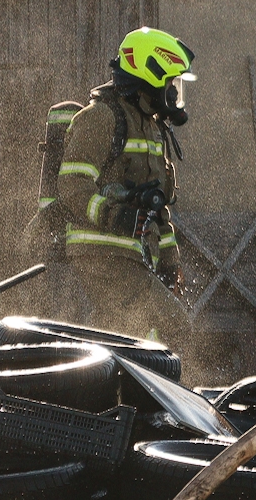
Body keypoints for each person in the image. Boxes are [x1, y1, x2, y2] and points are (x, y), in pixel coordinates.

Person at [45, 27, 196, 342]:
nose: (175, 95)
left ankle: (121, 390)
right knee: (172, 325)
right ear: (149, 75)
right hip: (100, 255)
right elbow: (73, 184)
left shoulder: (153, 130)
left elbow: (159, 207)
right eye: (172, 85)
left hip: (134, 260)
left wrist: (171, 264)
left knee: (132, 337)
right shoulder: (100, 118)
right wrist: (112, 215)